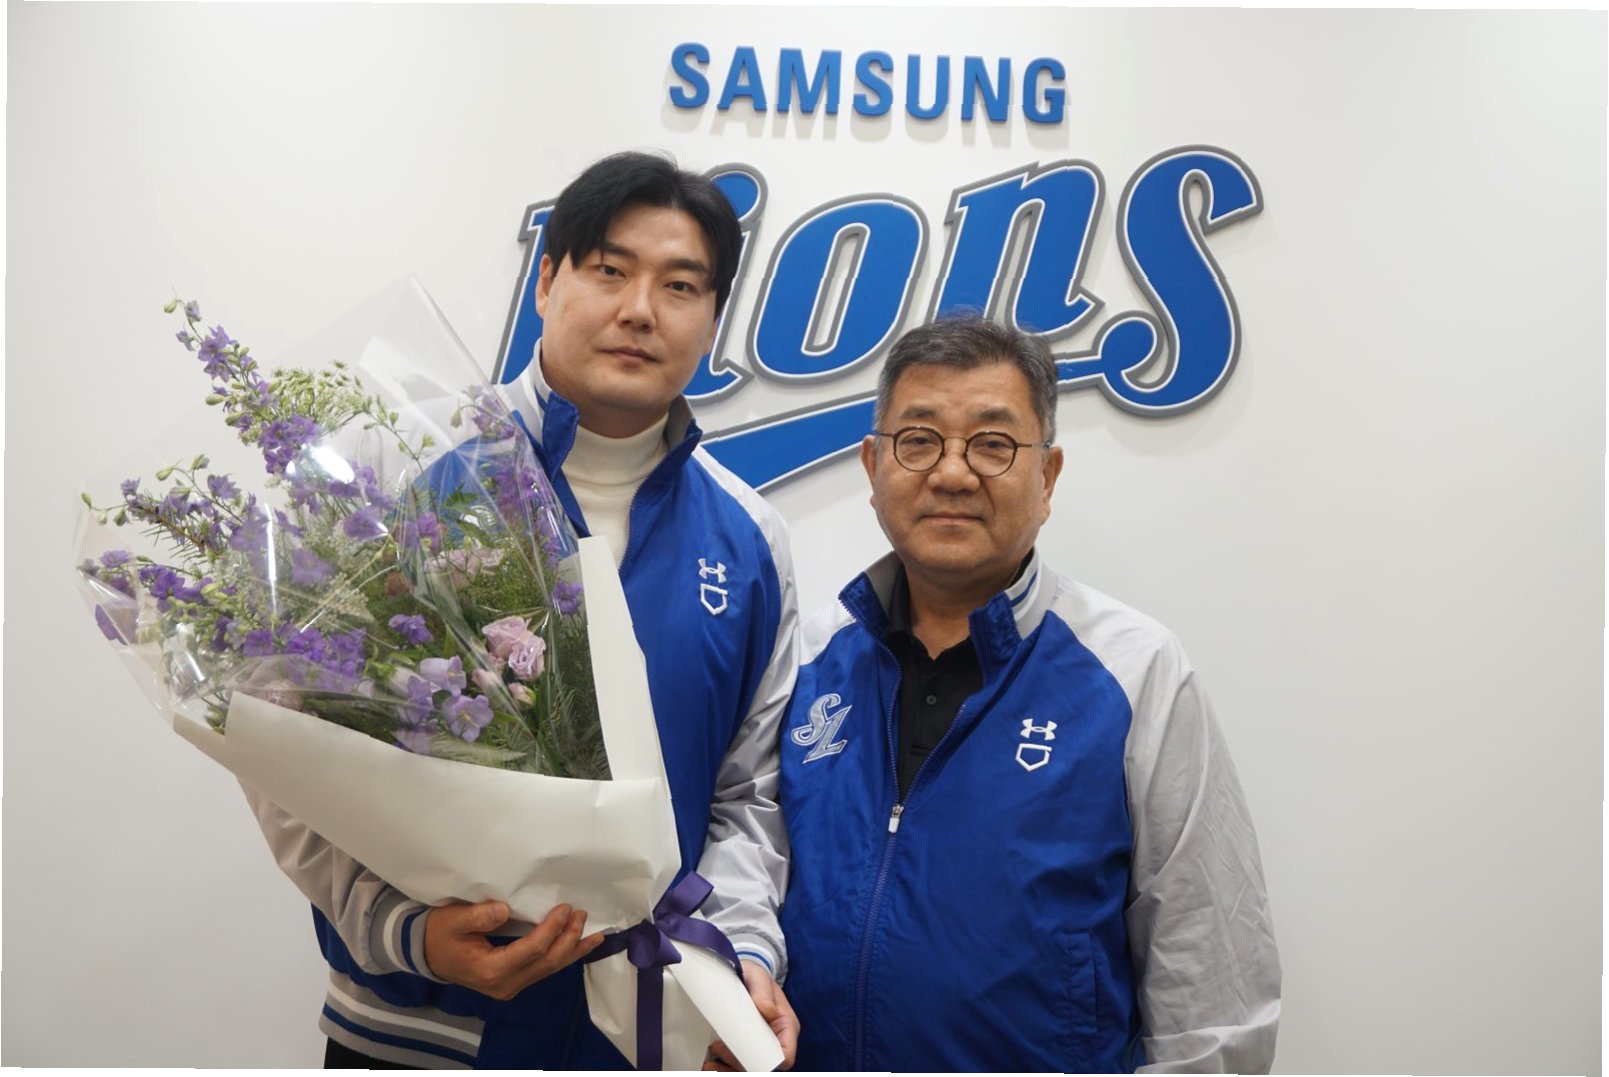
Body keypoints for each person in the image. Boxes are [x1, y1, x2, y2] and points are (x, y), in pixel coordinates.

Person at [241, 151, 800, 1069]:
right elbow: (281, 742)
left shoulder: (750, 540)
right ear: (547, 280)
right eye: (610, 269)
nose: (640, 309)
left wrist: (739, 951)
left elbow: (747, 795)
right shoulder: (397, 474)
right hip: (418, 1033)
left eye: (680, 285)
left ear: (712, 318)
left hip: (641, 1035)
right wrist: (407, 931)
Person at [775, 317, 1280, 1072]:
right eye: (919, 440)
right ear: (873, 466)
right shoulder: (806, 662)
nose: (952, 473)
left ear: (1046, 477)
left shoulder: (1135, 671)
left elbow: (1213, 987)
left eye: (992, 443)